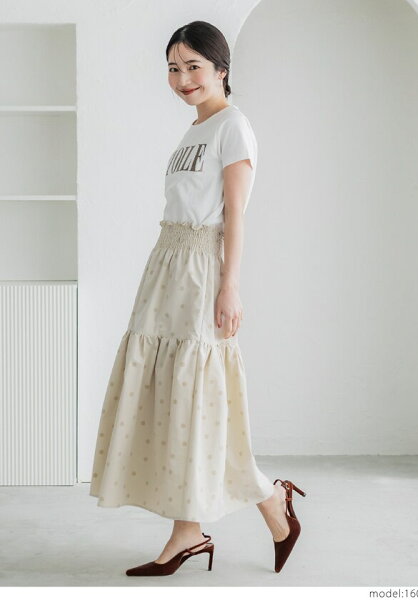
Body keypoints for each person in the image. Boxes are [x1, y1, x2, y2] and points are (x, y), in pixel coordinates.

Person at [89, 20, 306, 576]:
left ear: (221, 69)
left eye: (194, 67)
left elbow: (236, 215)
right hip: (167, 267)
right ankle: (193, 529)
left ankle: (264, 500)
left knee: (197, 397)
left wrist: (229, 285)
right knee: (173, 397)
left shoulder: (233, 126)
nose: (183, 78)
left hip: (201, 270)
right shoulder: (195, 129)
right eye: (173, 67)